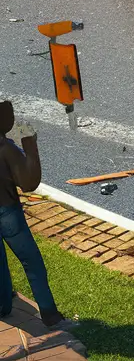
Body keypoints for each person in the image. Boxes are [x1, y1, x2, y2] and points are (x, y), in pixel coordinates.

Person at [0, 101, 66, 328]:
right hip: (7, 212)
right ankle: (49, 312)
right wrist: (29, 143)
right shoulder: (6, 149)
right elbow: (29, 182)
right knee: (31, 261)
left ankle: (3, 305)